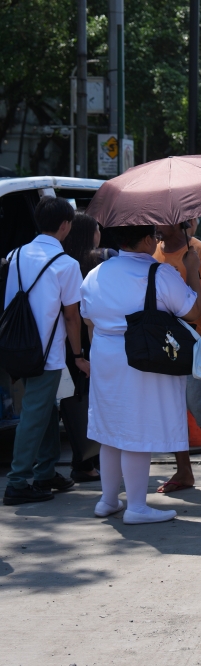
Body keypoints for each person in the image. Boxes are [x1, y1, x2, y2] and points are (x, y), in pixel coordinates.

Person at [81, 224, 201, 524]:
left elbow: (88, 318)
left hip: (105, 355)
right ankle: (136, 506)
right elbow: (194, 311)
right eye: (155, 236)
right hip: (142, 356)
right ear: (147, 239)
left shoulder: (96, 273)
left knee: (110, 431)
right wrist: (193, 272)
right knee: (137, 431)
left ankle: (108, 499)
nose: (159, 240)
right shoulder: (160, 273)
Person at [2, 198, 89, 506]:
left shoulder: (15, 255)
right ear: (66, 226)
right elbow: (71, 316)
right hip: (47, 353)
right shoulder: (66, 265)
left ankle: (46, 471)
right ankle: (18, 482)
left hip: (16, 347)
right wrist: (78, 354)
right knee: (35, 415)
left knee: (44, 410)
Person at [152, 220, 201, 493]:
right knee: (171, 409)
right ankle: (183, 470)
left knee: (200, 405)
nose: (156, 226)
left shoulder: (200, 251)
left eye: (161, 221)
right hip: (165, 345)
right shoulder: (153, 251)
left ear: (178, 221)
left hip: (195, 343)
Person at [60, 212, 116, 484]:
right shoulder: (104, 259)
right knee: (100, 404)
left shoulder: (66, 261)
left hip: (71, 345)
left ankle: (84, 461)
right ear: (91, 232)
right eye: (97, 228)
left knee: (78, 402)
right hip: (99, 342)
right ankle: (86, 463)